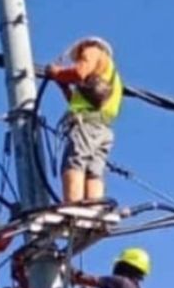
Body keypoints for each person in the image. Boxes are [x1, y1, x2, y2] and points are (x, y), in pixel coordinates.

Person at [44, 36, 123, 205]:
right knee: (93, 169)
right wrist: (62, 83)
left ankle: (73, 205)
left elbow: (79, 72)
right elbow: (79, 101)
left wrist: (56, 72)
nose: (80, 58)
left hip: (87, 125)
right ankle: (93, 211)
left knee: (75, 161)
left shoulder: (92, 50)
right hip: (103, 128)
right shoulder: (109, 75)